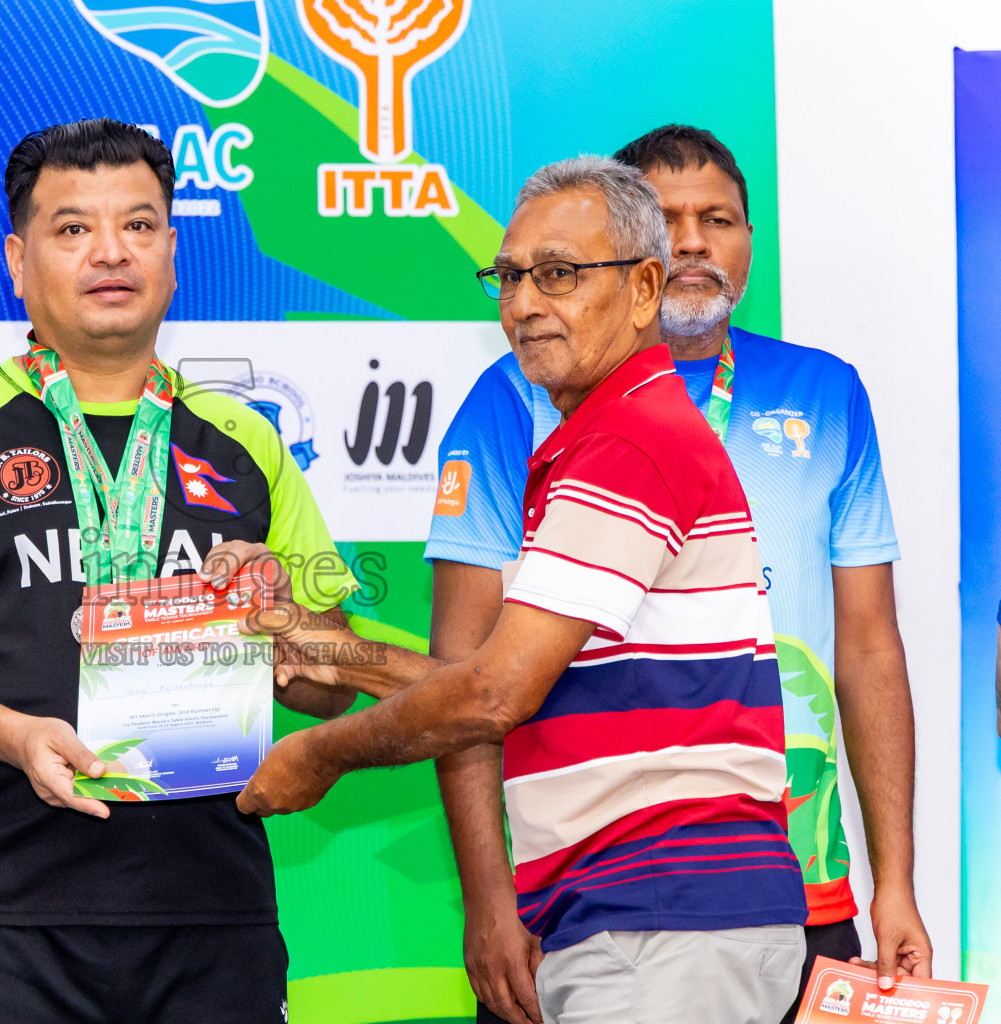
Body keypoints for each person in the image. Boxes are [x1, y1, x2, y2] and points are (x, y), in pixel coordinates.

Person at [222, 156, 811, 1024]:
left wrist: (320, 753)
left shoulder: (631, 444)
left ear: (645, 289)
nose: (525, 304)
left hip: (666, 919)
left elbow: (494, 694)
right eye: (509, 277)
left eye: (560, 276)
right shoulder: (599, 439)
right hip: (636, 920)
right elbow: (524, 685)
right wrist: (328, 647)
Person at [0, 118, 356, 1024]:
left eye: (139, 225)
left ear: (173, 252)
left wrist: (285, 624)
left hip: (211, 918)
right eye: (72, 229)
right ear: (18, 260)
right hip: (6, 924)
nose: (111, 252)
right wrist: (12, 735)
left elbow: (333, 683)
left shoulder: (248, 442)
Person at [425, 126, 929, 1024]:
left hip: (798, 890)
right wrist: (489, 902)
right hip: (599, 899)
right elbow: (466, 669)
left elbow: (868, 652)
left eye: (720, 218)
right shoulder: (513, 397)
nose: (694, 240)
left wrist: (894, 883)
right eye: (666, 218)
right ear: (629, 263)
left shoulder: (827, 392)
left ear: (748, 240)